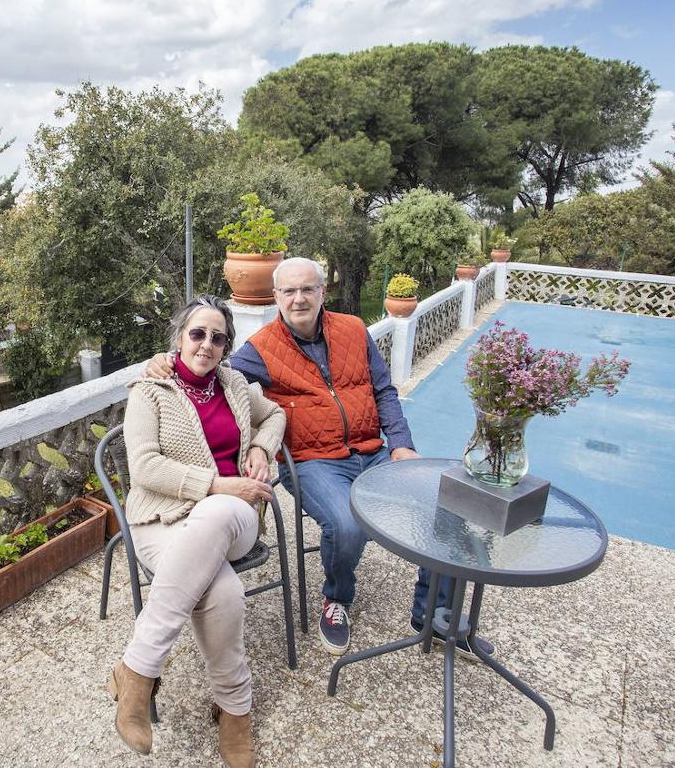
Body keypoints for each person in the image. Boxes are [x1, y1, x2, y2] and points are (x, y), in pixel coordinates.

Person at [146, 258, 494, 659]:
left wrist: (400, 443)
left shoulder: (354, 330)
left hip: (373, 451)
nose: (298, 299)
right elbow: (211, 368)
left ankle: (435, 613)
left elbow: (383, 390)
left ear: (322, 292)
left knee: (447, 502)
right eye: (289, 291)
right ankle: (337, 599)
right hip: (313, 463)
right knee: (347, 524)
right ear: (276, 297)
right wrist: (168, 359)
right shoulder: (260, 349)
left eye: (307, 289)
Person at [110, 294, 285, 768]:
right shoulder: (148, 392)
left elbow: (275, 415)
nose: (206, 344)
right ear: (179, 339)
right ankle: (236, 710)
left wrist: (262, 452)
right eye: (197, 333)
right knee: (223, 591)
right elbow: (144, 467)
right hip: (161, 520)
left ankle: (137, 669)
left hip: (235, 517)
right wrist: (215, 482)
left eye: (217, 337)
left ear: (226, 346)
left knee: (215, 513)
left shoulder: (233, 384)